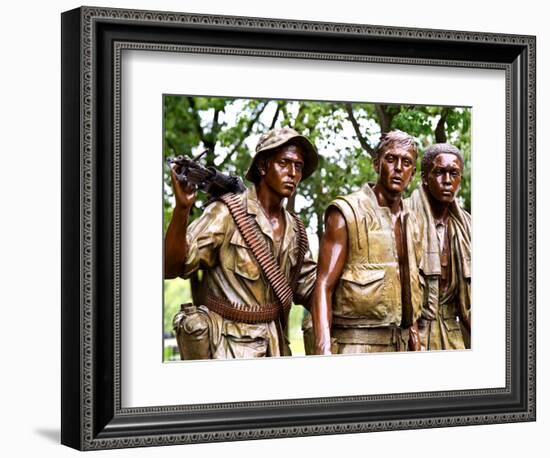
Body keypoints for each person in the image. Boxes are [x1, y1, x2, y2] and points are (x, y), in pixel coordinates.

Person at [164, 127, 318, 359]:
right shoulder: (226, 213)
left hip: (276, 348)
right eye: (284, 163)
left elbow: (311, 288)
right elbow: (171, 267)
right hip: (228, 349)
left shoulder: (296, 228)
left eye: (298, 166)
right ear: (263, 166)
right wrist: (182, 210)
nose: (293, 173)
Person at [311, 130, 424, 355]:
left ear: (412, 173)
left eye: (407, 162)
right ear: (376, 164)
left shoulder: (413, 220)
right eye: (391, 159)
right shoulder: (346, 213)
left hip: (401, 346)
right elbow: (324, 285)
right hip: (356, 344)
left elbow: (407, 283)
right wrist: (323, 349)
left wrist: (413, 336)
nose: (399, 168)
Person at [408, 143, 471, 350]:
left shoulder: (469, 227)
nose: (447, 181)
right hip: (415, 331)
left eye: (454, 173)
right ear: (425, 178)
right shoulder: (403, 216)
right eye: (440, 173)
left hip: (454, 333)